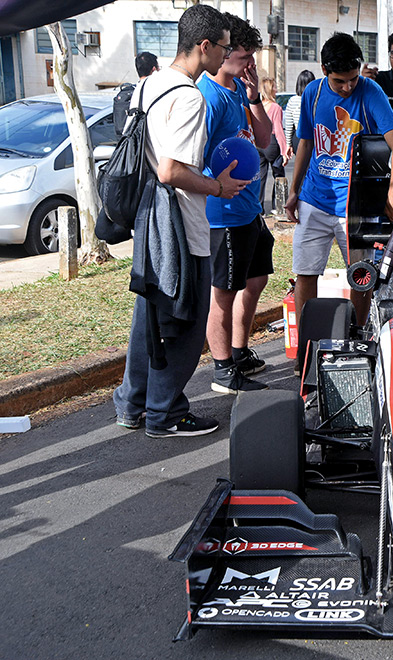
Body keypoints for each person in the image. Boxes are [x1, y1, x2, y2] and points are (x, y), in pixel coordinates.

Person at [113, 5, 250, 437]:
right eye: (224, 49)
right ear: (204, 46)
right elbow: (171, 169)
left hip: (146, 217)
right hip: (178, 224)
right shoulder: (189, 96)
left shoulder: (148, 85)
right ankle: (165, 413)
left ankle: (132, 405)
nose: (226, 57)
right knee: (184, 320)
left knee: (149, 318)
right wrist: (219, 188)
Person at [285, 33, 393, 338]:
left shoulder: (371, 92)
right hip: (314, 199)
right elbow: (305, 142)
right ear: (324, 69)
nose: (348, 86)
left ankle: (356, 335)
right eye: (340, 81)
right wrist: (293, 190)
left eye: (353, 78)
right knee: (305, 273)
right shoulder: (312, 93)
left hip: (356, 206)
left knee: (361, 277)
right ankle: (308, 343)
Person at [198, 13, 274, 395]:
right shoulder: (208, 97)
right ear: (223, 52)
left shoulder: (235, 91)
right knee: (223, 293)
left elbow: (264, 139)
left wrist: (255, 95)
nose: (249, 65)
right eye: (244, 57)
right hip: (223, 213)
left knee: (256, 279)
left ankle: (239, 350)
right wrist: (215, 186)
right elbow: (192, 158)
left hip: (250, 209)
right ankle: (223, 370)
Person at [258, 77, 291, 211]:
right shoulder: (275, 107)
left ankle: (259, 209)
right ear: (270, 90)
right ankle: (278, 207)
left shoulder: (258, 106)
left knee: (260, 177)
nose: (276, 90)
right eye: (274, 87)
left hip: (258, 143)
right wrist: (284, 151)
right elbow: (278, 129)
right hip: (271, 143)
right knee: (279, 175)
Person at [113, 51, 160, 138]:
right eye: (158, 68)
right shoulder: (156, 93)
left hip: (133, 145)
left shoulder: (135, 91)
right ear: (154, 69)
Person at [283, 69, 315, 153]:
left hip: (298, 137)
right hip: (315, 137)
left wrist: (288, 144)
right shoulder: (317, 100)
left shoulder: (292, 101)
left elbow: (289, 125)